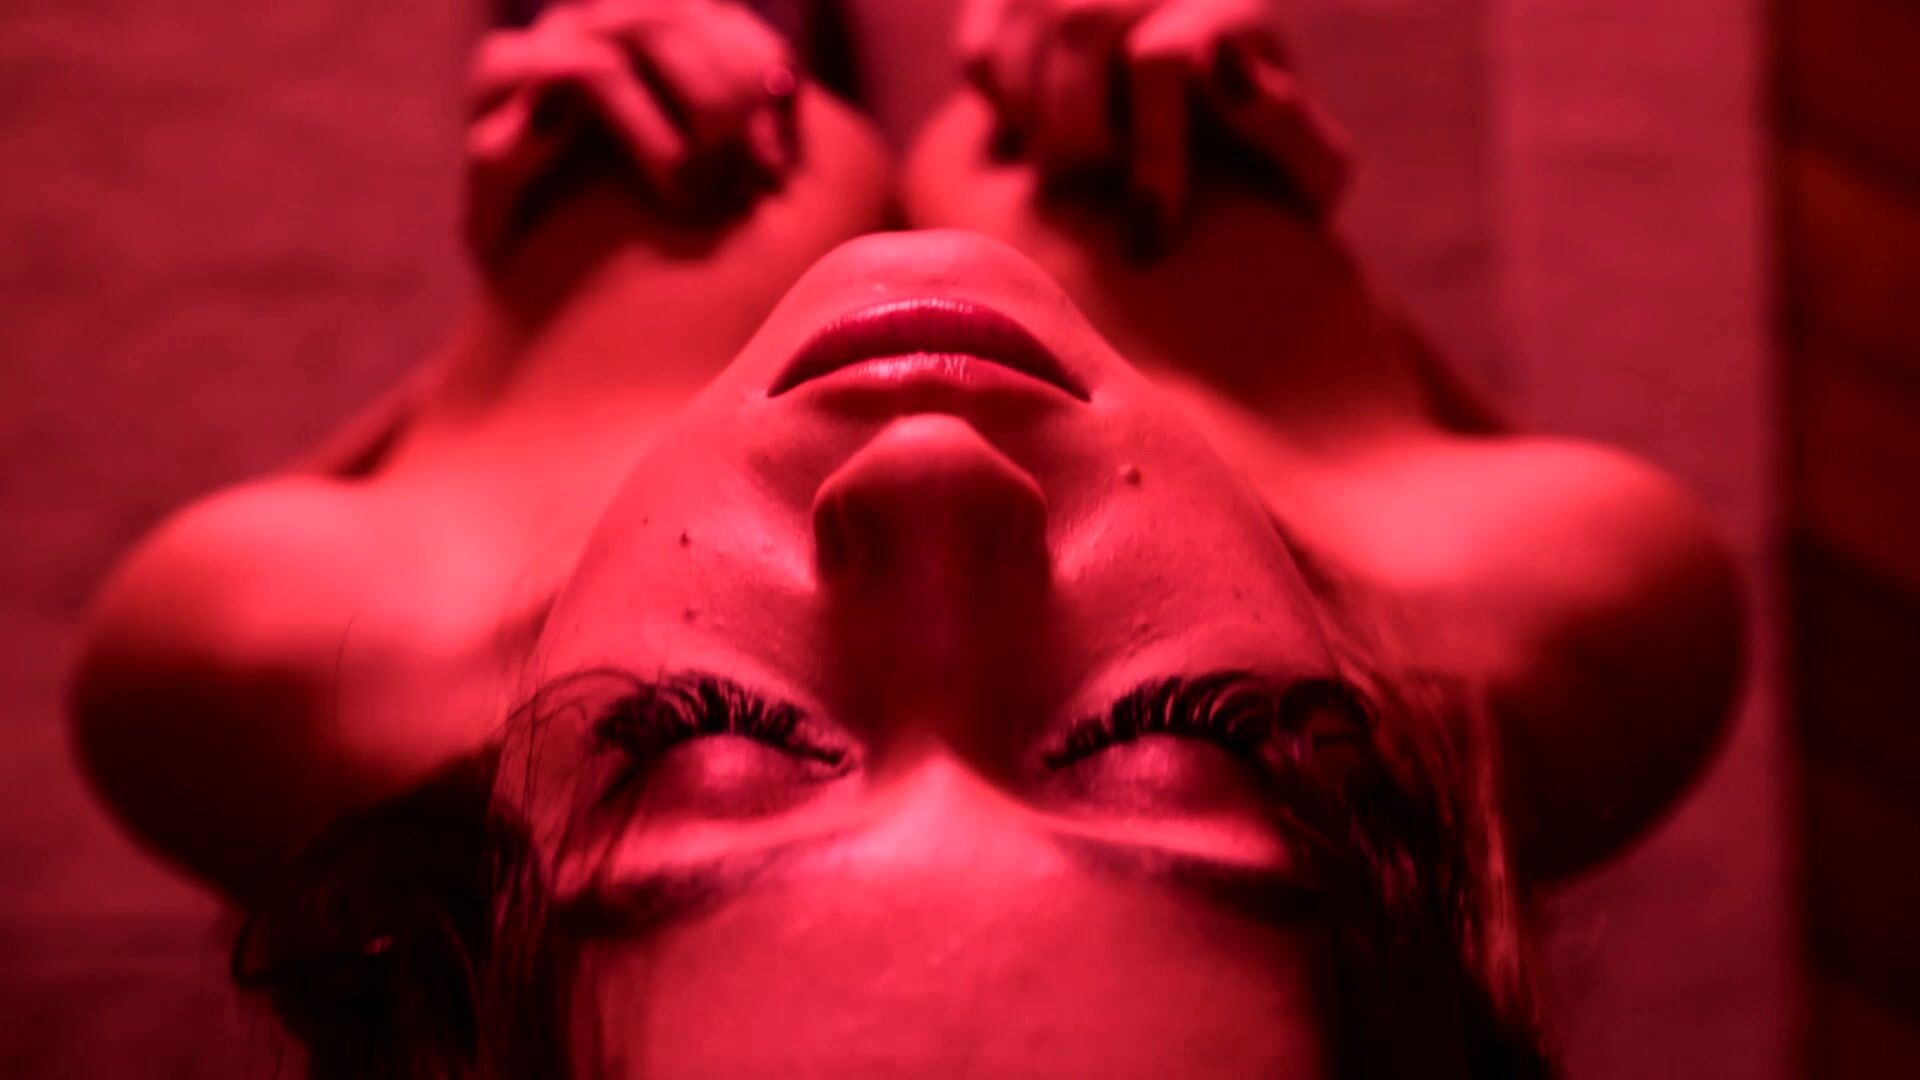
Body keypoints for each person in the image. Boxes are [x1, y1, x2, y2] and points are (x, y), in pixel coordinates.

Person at [67, 0, 1745, 1075]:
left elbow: (394, 467)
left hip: (659, 207)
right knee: (1131, 120)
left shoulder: (239, 657)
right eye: (1177, 743)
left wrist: (499, 359)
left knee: (652, 123)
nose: (930, 465)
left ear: (473, 897)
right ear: (1400, 854)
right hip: (1196, 309)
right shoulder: (1586, 609)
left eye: (703, 748)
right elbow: (1419, 431)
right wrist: (1319, 301)